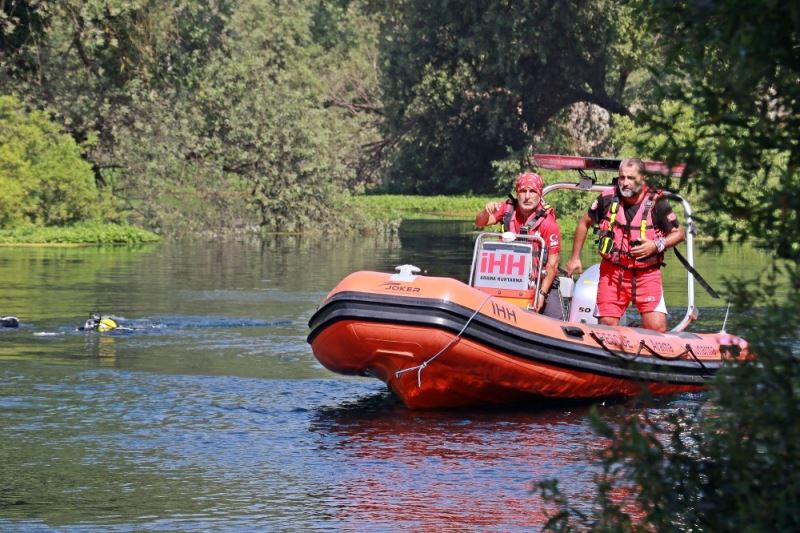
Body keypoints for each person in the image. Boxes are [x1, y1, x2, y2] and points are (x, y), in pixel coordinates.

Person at [564, 158, 685, 332]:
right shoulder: (607, 199)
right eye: (622, 178)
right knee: (606, 326)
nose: (625, 183)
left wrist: (656, 245)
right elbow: (584, 223)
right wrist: (575, 258)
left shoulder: (657, 203)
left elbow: (679, 233)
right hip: (613, 273)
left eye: (630, 178)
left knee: (657, 328)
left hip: (646, 274)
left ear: (642, 178)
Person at [475, 172, 563, 318]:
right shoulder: (507, 210)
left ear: (539, 194)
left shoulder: (549, 223)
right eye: (523, 191)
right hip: (506, 279)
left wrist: (541, 294)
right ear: (517, 193)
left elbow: (552, 265)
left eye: (532, 191)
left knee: (554, 318)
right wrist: (486, 211)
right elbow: (479, 222)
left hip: (540, 281)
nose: (527, 196)